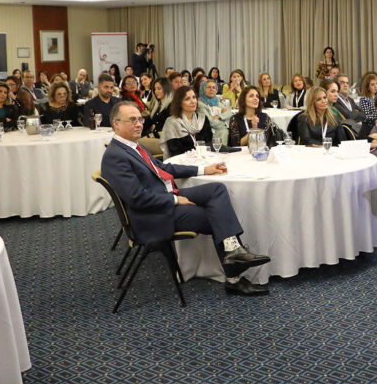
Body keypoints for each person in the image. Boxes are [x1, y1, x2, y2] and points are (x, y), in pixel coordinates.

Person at [101, 100, 270, 296]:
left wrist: (203, 169)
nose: (139, 124)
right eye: (132, 120)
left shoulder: (133, 147)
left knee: (216, 190)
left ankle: (233, 251)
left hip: (163, 197)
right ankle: (234, 277)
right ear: (116, 124)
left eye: (140, 119)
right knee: (216, 215)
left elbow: (164, 168)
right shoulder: (115, 156)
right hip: (153, 215)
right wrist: (174, 200)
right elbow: (137, 198)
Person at [161, 85, 213, 157]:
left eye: (194, 97)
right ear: (179, 103)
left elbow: (209, 144)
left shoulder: (203, 119)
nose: (193, 101)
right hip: (182, 162)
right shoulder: (172, 122)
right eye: (187, 99)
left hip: (204, 159)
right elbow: (175, 151)